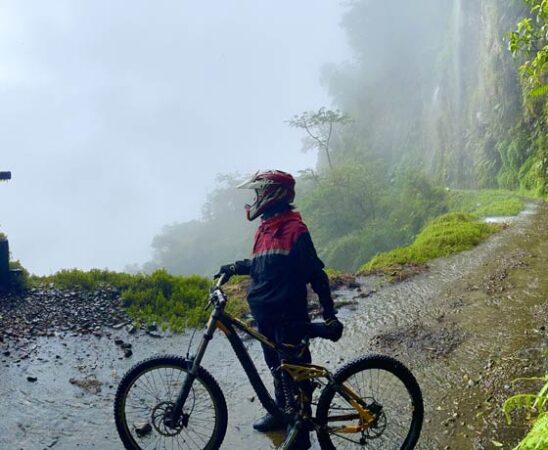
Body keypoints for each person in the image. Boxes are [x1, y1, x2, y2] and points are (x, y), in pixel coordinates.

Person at [215, 170, 343, 449]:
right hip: (266, 318)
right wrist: (235, 267)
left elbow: (317, 275)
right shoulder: (265, 228)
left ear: (273, 194)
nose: (256, 198)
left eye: (259, 193)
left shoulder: (296, 231)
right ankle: (280, 414)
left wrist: (330, 314)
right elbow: (262, 265)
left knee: (296, 376)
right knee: (276, 368)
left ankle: (301, 434)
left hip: (290, 319)